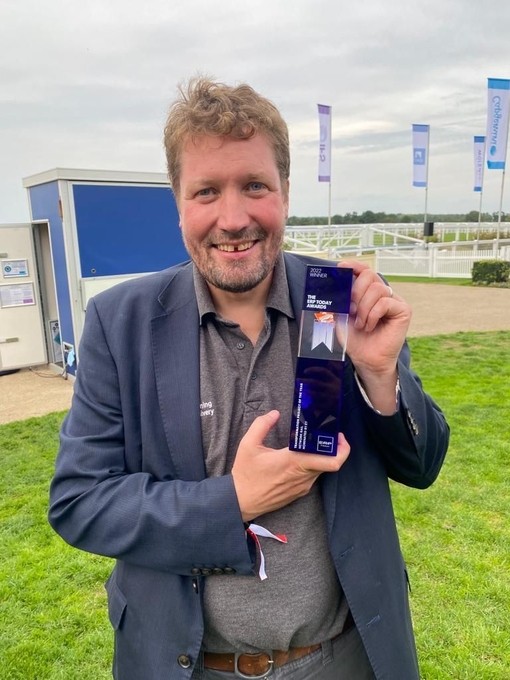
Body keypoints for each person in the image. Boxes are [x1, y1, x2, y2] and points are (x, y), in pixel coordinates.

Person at [48, 78, 449, 680]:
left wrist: (379, 372)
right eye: (206, 191)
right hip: (189, 664)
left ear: (285, 191)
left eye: (254, 186)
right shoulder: (121, 322)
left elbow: (421, 467)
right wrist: (230, 503)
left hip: (342, 656)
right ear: (179, 202)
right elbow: (81, 502)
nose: (232, 219)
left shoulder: (334, 302)